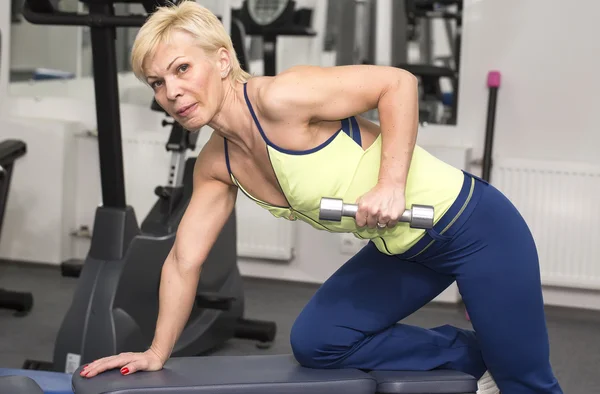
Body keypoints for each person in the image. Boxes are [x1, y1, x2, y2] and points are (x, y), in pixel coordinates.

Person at [78, 1, 563, 393]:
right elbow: (184, 261)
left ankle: (507, 357)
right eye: (158, 83)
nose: (173, 91)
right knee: (319, 341)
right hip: (406, 249)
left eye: (183, 68)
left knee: (526, 382)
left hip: (474, 227)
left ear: (222, 60)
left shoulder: (282, 98)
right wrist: (157, 352)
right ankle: (479, 356)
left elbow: (398, 84)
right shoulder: (216, 163)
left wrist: (391, 183)